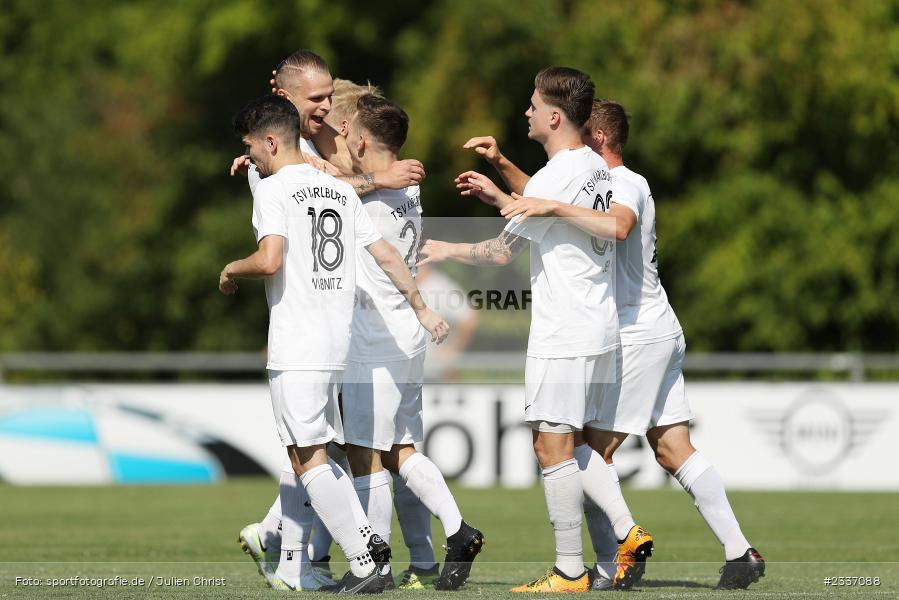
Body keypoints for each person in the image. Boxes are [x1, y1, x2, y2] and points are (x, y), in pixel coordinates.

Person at [498, 99, 765, 590]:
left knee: (583, 450)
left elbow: (614, 224)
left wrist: (549, 203)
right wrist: (502, 170)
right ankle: (739, 551)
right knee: (672, 448)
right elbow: (544, 196)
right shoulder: (613, 181)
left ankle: (612, 560)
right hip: (657, 325)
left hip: (634, 332)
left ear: (596, 138)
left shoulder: (620, 183)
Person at [419, 67, 651, 593]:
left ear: (552, 115)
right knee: (576, 445)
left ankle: (572, 569)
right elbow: (544, 202)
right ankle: (624, 533)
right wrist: (500, 174)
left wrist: (446, 248)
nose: (525, 111)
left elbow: (503, 249)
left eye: (531, 104)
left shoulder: (554, 180)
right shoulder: (592, 165)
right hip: (601, 327)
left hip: (564, 330)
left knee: (551, 448)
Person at [220, 94, 448, 593]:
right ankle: (362, 552)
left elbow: (271, 259)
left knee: (308, 458)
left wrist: (231, 268)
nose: (252, 157)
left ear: (271, 141)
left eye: (252, 148)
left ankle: (367, 558)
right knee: (322, 454)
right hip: (338, 345)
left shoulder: (276, 189)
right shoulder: (338, 191)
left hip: (297, 342)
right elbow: (387, 254)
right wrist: (421, 305)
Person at [340, 93, 484, 591]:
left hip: (376, 334)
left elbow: (385, 256)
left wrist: (423, 305)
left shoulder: (369, 196)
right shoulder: (407, 188)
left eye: (347, 132)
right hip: (406, 336)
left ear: (360, 140)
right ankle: (459, 529)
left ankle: (374, 564)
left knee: (366, 451)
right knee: (402, 449)